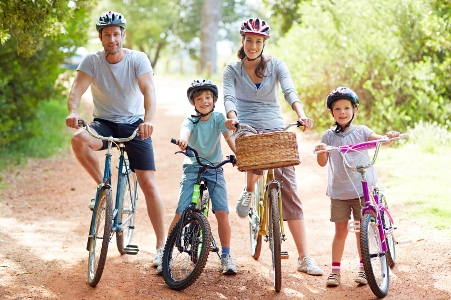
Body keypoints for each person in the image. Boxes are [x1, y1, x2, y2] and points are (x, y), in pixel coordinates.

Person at [65, 11, 165, 272]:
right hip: (105, 123)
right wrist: (74, 111)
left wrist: (148, 119)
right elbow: (76, 90)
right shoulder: (92, 61)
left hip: (134, 124)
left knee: (149, 185)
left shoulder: (137, 59)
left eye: (116, 33)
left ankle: (161, 246)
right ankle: (103, 191)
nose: (112, 38)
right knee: (78, 140)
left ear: (123, 35)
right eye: (107, 34)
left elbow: (149, 90)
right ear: (101, 37)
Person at [223, 17, 323, 275]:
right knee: (252, 153)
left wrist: (300, 114)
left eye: (258, 42)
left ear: (264, 43)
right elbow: (229, 97)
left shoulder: (276, 65)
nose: (253, 46)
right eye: (248, 41)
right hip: (246, 124)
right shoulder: (231, 70)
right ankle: (249, 189)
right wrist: (232, 117)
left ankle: (304, 257)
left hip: (275, 125)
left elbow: (290, 91)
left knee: (290, 189)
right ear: (242, 41)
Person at [314, 87, 400, 287]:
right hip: (339, 192)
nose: (342, 112)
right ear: (331, 113)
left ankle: (364, 268)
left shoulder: (361, 131)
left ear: (354, 110)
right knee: (341, 231)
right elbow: (321, 162)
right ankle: (335, 271)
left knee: (361, 231)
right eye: (337, 109)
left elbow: (381, 141)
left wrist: (389, 136)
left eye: (346, 108)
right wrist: (320, 150)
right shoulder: (328, 136)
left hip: (362, 191)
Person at [165, 79, 238, 275]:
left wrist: (237, 154)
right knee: (181, 212)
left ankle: (226, 256)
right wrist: (183, 140)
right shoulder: (190, 120)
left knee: (222, 212)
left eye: (208, 98)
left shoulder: (219, 118)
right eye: (199, 99)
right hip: (193, 167)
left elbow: (229, 137)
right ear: (193, 102)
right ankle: (167, 254)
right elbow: (185, 131)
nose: (204, 101)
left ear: (214, 100)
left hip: (214, 168)